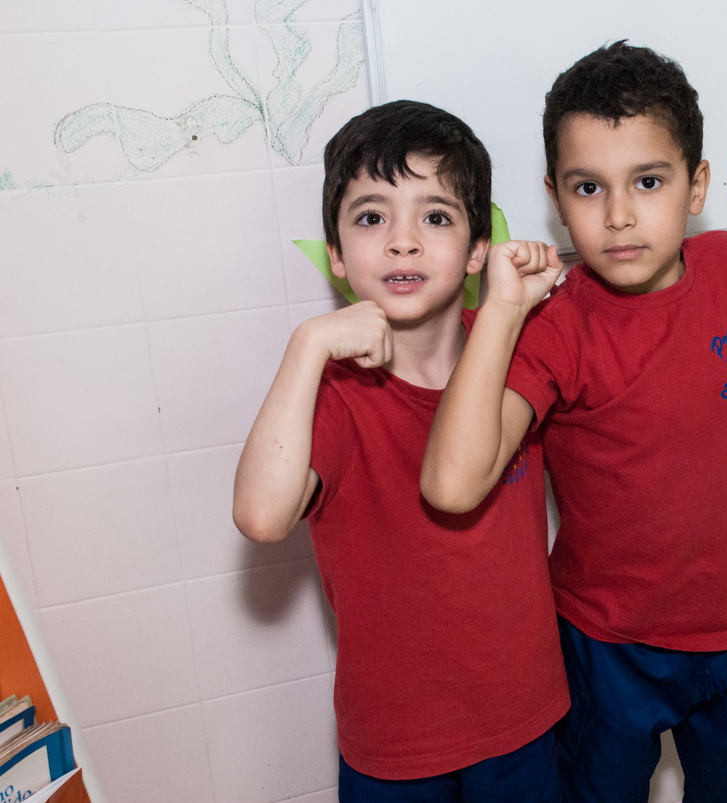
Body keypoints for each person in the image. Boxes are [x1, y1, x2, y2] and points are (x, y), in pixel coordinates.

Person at [421, 41, 727, 803]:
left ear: (696, 186)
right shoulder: (556, 324)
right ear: (556, 195)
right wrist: (503, 311)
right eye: (589, 187)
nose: (618, 215)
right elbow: (454, 486)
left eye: (647, 181)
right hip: (605, 640)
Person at [231, 100, 571, 802]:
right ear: (336, 253)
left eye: (436, 217)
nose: (403, 243)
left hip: (526, 721)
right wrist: (307, 346)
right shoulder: (331, 390)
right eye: (370, 218)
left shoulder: (515, 343)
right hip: (393, 744)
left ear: (478, 250)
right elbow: (262, 516)